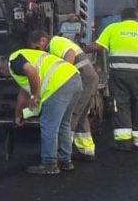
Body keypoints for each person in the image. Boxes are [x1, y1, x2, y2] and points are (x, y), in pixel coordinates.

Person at [0, 31, 83, 175]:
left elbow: (32, 73)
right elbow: (23, 93)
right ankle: (65, 161)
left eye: (1, 74)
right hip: (74, 79)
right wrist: (18, 115)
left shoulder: (14, 61)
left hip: (59, 84)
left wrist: (35, 96)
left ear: (2, 67)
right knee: (64, 123)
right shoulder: (23, 58)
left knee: (49, 125)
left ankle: (49, 164)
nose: (3, 77)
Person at [86, 7, 138, 151]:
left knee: (120, 104)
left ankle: (124, 142)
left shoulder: (112, 28)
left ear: (122, 18)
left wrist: (78, 48)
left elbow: (97, 47)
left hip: (118, 74)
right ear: (137, 17)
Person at [35, 30, 99, 161]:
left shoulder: (55, 42)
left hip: (84, 78)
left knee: (70, 115)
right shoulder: (55, 43)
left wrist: (64, 76)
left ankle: (63, 153)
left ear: (42, 40)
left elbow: (70, 54)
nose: (38, 51)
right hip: (87, 77)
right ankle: (86, 150)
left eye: (37, 47)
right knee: (80, 114)